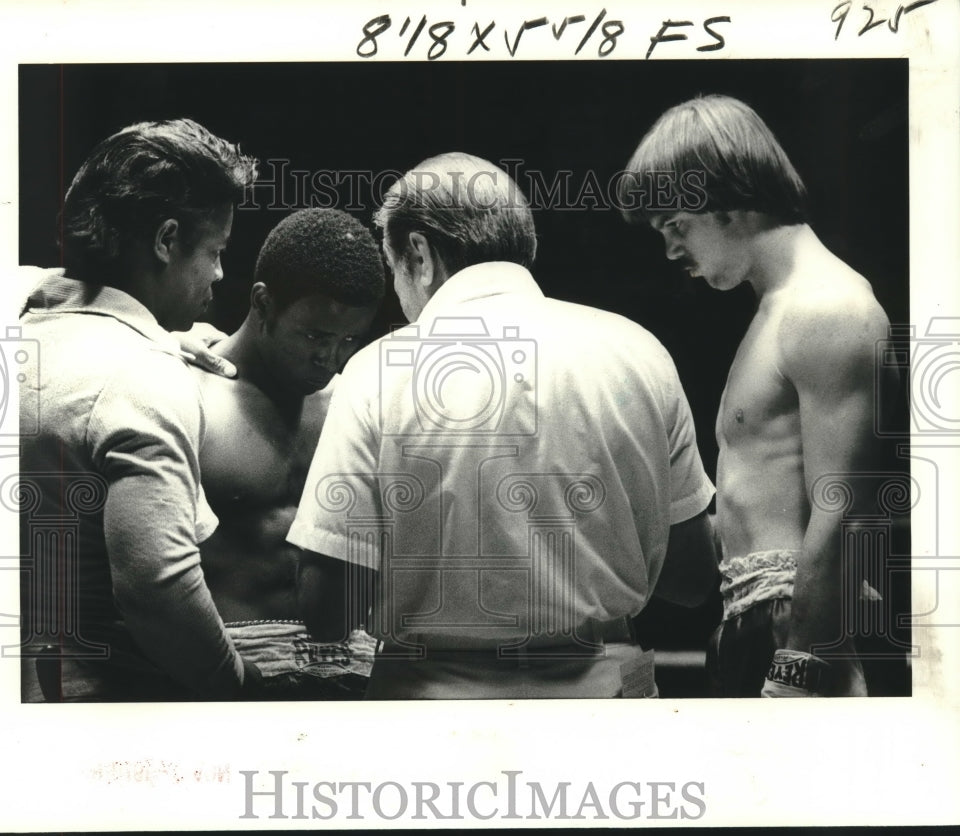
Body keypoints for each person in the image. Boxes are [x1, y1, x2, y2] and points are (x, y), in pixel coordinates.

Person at [287, 152, 718, 699]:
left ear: (417, 252)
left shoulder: (377, 369)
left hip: (429, 715)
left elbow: (327, 610)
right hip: (607, 706)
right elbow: (692, 579)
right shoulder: (641, 353)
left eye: (391, 266)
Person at [621, 94, 895, 697]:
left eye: (675, 225)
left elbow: (843, 513)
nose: (670, 250)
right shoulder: (776, 312)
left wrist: (799, 668)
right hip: (753, 623)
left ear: (725, 200)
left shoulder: (828, 308)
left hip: (804, 631)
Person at [18, 118, 262, 701]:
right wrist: (237, 687)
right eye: (215, 251)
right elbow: (160, 591)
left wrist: (145, 327)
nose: (221, 274)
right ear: (165, 240)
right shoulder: (142, 377)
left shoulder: (8, 320)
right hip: (100, 704)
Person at [191, 208, 386, 698]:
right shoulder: (183, 391)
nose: (330, 358)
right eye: (315, 336)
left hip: (355, 669)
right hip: (232, 668)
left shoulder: (357, 400)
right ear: (263, 302)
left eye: (348, 340)